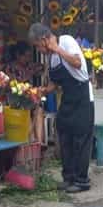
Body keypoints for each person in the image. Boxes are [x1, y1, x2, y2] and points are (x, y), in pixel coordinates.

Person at [28, 22, 93, 193]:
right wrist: (42, 90)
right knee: (64, 133)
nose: (40, 51)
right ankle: (68, 177)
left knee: (80, 138)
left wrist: (57, 49)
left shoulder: (66, 42)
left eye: (38, 46)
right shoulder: (51, 57)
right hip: (68, 97)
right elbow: (54, 84)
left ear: (44, 40)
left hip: (82, 95)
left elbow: (77, 63)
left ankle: (81, 180)